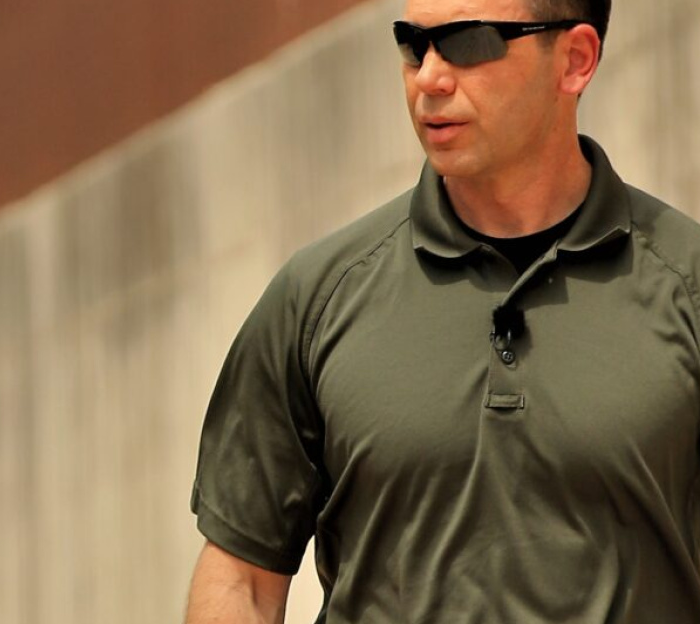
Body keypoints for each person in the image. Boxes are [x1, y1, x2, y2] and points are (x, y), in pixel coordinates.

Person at [186, 0, 700, 621]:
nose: (429, 76)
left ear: (575, 60)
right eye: (414, 43)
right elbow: (241, 577)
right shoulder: (316, 296)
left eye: (469, 42)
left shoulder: (687, 287)